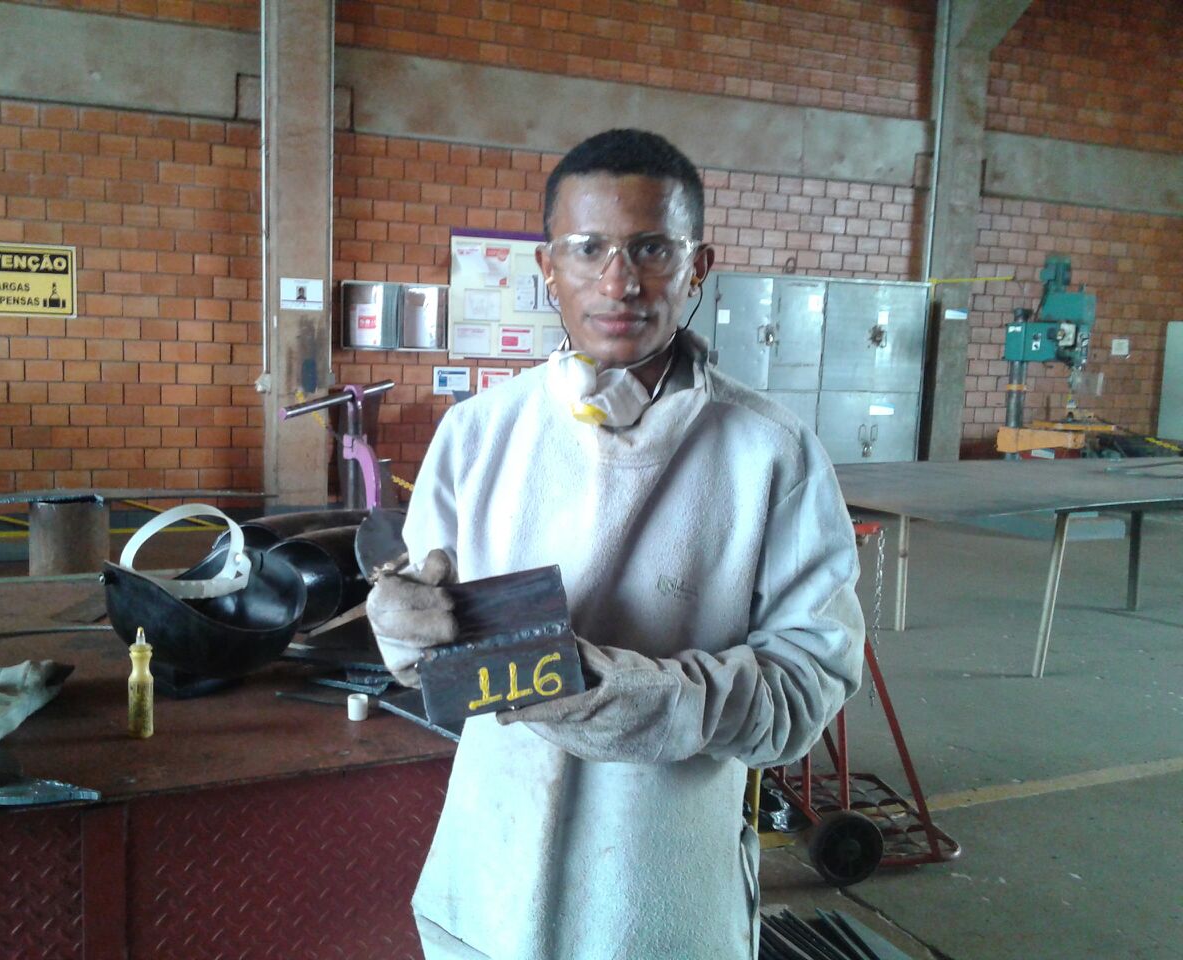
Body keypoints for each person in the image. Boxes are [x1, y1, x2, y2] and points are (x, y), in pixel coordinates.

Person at [367, 128, 865, 960]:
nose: (619, 281)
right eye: (588, 248)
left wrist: (631, 701)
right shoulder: (476, 435)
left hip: (659, 906)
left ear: (699, 267)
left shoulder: (770, 453)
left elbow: (805, 689)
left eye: (652, 249)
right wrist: (400, 627)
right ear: (547, 268)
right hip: (485, 889)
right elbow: (426, 659)